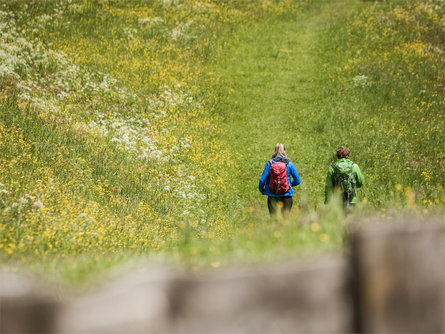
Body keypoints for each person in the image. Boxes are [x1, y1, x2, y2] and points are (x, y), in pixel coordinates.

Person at [259, 143, 301, 217]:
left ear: (275, 150)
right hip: (287, 195)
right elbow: (297, 180)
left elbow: (262, 180)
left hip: (272, 195)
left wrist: (262, 190)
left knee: (274, 219)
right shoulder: (289, 164)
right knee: (285, 220)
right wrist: (288, 185)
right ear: (284, 151)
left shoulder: (270, 163)